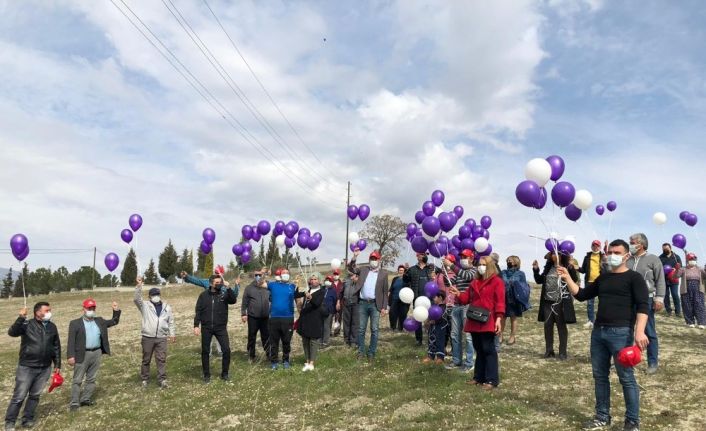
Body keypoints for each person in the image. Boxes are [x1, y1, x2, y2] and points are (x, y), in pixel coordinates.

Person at [557, 239, 648, 431]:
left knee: (626, 378)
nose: (612, 255)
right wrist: (567, 277)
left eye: (617, 252)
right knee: (600, 376)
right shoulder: (603, 277)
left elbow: (642, 306)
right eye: (610, 252)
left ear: (626, 255)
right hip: (598, 333)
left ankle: (632, 422)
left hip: (621, 333)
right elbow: (581, 295)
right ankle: (602, 416)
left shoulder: (634, 278)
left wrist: (639, 331)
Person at [450, 255, 505, 389]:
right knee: (479, 349)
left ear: (490, 266)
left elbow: (500, 302)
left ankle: (491, 380)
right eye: (479, 264)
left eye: (483, 264)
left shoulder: (497, 282)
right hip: (474, 319)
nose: (480, 267)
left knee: (488, 349)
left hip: (488, 320)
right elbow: (465, 299)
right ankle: (478, 377)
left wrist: (498, 319)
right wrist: (458, 293)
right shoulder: (474, 282)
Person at [4, 302, 60, 430]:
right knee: (19, 396)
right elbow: (12, 332)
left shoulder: (52, 327)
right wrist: (20, 317)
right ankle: (10, 422)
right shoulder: (27, 324)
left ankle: (27, 419)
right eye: (47, 310)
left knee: (35, 395)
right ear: (38, 312)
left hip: (45, 367)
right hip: (27, 367)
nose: (49, 312)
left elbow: (56, 346)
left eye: (50, 310)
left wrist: (57, 363)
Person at [67, 299, 121, 411]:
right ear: (84, 309)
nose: (91, 310)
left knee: (91, 378)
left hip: (96, 353)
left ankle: (85, 399)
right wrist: (70, 356)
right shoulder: (75, 323)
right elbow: (71, 341)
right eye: (89, 308)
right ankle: (74, 402)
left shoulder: (99, 320)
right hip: (82, 354)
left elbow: (114, 322)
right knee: (77, 380)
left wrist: (115, 311)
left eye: (93, 308)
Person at [626, 233, 665, 375]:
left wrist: (659, 298)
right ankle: (624, 359)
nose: (629, 244)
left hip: (646, 300)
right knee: (626, 330)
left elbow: (660, 279)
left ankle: (652, 362)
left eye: (632, 242)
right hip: (628, 300)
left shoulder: (653, 259)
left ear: (640, 244)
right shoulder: (627, 259)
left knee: (649, 331)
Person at [193, 274, 238, 383]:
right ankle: (206, 375)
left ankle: (225, 373)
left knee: (226, 350)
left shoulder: (224, 294)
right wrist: (196, 325)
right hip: (206, 327)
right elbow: (198, 311)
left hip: (221, 327)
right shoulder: (203, 296)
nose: (219, 284)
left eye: (220, 282)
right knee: (205, 351)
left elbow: (233, 300)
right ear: (211, 283)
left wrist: (228, 288)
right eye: (216, 282)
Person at [533, 252, 578, 360]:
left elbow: (574, 280)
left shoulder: (566, 267)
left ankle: (562, 352)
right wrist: (535, 269)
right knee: (547, 326)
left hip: (561, 302)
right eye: (552, 254)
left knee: (561, 326)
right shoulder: (548, 268)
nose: (554, 256)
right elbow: (539, 280)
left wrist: (571, 268)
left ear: (562, 255)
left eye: (556, 253)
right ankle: (549, 351)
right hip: (548, 301)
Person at [181, 270, 236, 357]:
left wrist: (236, 286)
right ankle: (208, 352)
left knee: (221, 336)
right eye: (216, 273)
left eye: (220, 274)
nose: (218, 275)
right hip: (208, 313)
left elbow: (233, 296)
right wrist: (187, 277)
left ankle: (221, 351)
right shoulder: (207, 282)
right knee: (207, 337)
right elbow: (197, 281)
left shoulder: (224, 284)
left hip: (220, 316)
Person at [348, 249, 389, 362]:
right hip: (362, 303)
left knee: (374, 329)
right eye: (371, 258)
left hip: (376, 305)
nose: (373, 260)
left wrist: (385, 307)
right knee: (361, 329)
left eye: (375, 258)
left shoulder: (384, 273)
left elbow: (385, 292)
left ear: (379, 260)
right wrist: (354, 257)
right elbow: (351, 268)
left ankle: (371, 352)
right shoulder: (363, 270)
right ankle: (361, 351)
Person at [134, 277, 175, 389]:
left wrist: (172, 334)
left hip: (162, 337)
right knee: (146, 359)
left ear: (159, 295)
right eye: (153, 295)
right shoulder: (145, 306)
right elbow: (137, 299)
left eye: (157, 294)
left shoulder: (167, 307)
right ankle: (144, 379)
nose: (155, 296)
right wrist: (139, 286)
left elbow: (170, 321)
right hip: (148, 337)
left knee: (161, 359)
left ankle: (162, 379)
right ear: (149, 297)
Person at [446, 249, 476, 372]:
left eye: (465, 256)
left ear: (471, 259)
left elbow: (466, 276)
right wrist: (444, 271)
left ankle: (469, 363)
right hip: (456, 306)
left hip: (468, 306)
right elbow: (448, 282)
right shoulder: (459, 272)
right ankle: (456, 360)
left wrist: (451, 265)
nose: (462, 258)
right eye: (461, 256)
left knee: (468, 336)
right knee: (454, 334)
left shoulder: (474, 271)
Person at [267, 268, 304, 370]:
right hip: (274, 318)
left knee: (286, 341)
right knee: (274, 342)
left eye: (287, 273)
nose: (285, 275)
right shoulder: (272, 285)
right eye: (283, 273)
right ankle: (274, 361)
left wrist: (299, 288)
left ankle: (286, 360)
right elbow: (260, 283)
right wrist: (265, 274)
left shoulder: (292, 286)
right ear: (280, 275)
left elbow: (297, 299)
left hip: (288, 318)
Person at [403, 252, 435, 346]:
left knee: (431, 319)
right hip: (417, 298)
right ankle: (419, 340)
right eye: (422, 254)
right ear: (418, 256)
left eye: (425, 255)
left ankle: (431, 339)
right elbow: (405, 280)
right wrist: (405, 271)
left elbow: (440, 274)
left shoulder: (430, 268)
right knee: (418, 318)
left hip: (430, 298)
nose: (424, 256)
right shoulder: (412, 269)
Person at [297, 273, 327, 371]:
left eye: (315, 279)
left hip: (315, 318)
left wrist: (310, 297)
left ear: (319, 281)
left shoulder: (322, 291)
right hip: (305, 317)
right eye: (312, 279)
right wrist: (297, 285)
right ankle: (307, 360)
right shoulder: (307, 290)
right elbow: (296, 295)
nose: (313, 281)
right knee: (305, 340)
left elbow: (317, 303)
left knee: (313, 341)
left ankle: (312, 362)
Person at [241, 270, 271, 363]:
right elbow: (244, 302)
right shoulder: (249, 288)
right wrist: (243, 314)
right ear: (254, 276)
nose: (258, 276)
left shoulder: (268, 286)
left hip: (265, 317)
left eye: (260, 275)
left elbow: (273, 298)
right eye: (256, 275)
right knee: (252, 336)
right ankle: (251, 356)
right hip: (253, 317)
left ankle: (268, 354)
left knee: (266, 336)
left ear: (263, 275)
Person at [500, 255, 530, 345]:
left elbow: (524, 286)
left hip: (514, 298)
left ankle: (512, 337)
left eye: (510, 260)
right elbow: (501, 282)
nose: (509, 262)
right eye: (507, 260)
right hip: (503, 297)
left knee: (513, 317)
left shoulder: (521, 273)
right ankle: (500, 335)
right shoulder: (503, 272)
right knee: (502, 317)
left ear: (516, 262)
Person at [578, 240, 608, 328]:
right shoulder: (587, 257)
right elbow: (583, 270)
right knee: (590, 303)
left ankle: (601, 321)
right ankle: (591, 321)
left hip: (601, 282)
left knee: (603, 302)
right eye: (594, 245)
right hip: (589, 283)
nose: (595, 247)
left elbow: (608, 259)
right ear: (591, 246)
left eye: (597, 246)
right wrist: (576, 267)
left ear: (600, 247)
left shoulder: (603, 256)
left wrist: (607, 246)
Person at [676, 252, 706, 328]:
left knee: (699, 305)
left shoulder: (700, 268)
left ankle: (701, 322)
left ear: (696, 259)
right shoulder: (683, 269)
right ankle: (690, 322)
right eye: (690, 259)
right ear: (687, 260)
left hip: (698, 289)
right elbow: (676, 276)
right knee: (687, 305)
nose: (692, 260)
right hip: (686, 289)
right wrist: (677, 269)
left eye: (693, 259)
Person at [423, 291, 448, 365]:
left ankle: (440, 357)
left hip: (440, 328)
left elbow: (442, 316)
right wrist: (427, 321)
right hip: (432, 327)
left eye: (435, 297)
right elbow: (430, 315)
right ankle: (430, 355)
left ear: (440, 298)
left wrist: (435, 321)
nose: (433, 299)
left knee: (440, 341)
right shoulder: (433, 307)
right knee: (431, 340)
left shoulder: (443, 307)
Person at [337, 269, 360, 347]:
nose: (350, 274)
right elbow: (341, 292)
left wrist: (357, 281)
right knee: (346, 322)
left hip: (356, 304)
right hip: (346, 303)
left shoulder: (360, 281)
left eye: (352, 273)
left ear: (356, 275)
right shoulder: (346, 281)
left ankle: (353, 341)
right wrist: (338, 301)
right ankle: (346, 340)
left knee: (354, 323)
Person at [659, 243, 683, 317]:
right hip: (664, 279)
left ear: (670, 248)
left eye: (666, 248)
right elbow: (658, 267)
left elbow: (680, 267)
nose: (665, 250)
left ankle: (678, 312)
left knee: (675, 295)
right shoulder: (660, 257)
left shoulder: (676, 257)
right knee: (666, 296)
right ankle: (668, 311)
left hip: (674, 278)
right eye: (664, 249)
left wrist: (675, 269)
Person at [388, 265, 407, 331]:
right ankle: (393, 327)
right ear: (398, 271)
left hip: (403, 300)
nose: (401, 271)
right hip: (394, 299)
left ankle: (400, 328)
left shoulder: (406, 280)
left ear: (404, 271)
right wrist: (389, 298)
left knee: (402, 314)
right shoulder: (395, 279)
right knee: (392, 313)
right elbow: (391, 289)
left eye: (402, 270)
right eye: (400, 270)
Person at [321, 275, 338, 348]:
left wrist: (334, 311)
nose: (327, 281)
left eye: (329, 280)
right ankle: (320, 340)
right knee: (321, 326)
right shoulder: (322, 289)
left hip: (329, 311)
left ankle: (325, 342)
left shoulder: (333, 291)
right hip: (321, 311)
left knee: (326, 327)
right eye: (326, 280)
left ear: (331, 282)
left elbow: (335, 301)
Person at [331, 269, 344, 336]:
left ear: (339, 275)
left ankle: (337, 332)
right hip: (331, 303)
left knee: (338, 317)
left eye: (337, 274)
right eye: (335, 274)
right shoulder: (331, 284)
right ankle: (329, 331)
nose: (335, 275)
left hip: (340, 303)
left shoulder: (342, 284)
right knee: (330, 317)